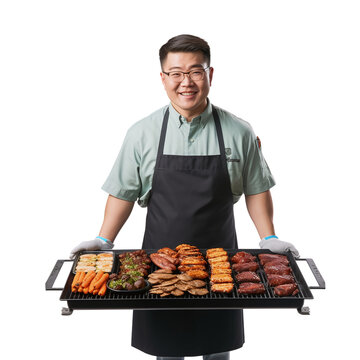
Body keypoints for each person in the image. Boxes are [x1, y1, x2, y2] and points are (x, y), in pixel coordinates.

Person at [70, 34, 299, 359]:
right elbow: (123, 192)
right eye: (176, 73)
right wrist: (103, 240)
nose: (185, 82)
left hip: (222, 263)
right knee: (167, 352)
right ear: (163, 78)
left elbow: (256, 187)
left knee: (217, 351)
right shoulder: (142, 132)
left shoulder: (239, 131)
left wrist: (269, 236)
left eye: (195, 71)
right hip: (156, 266)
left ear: (210, 74)